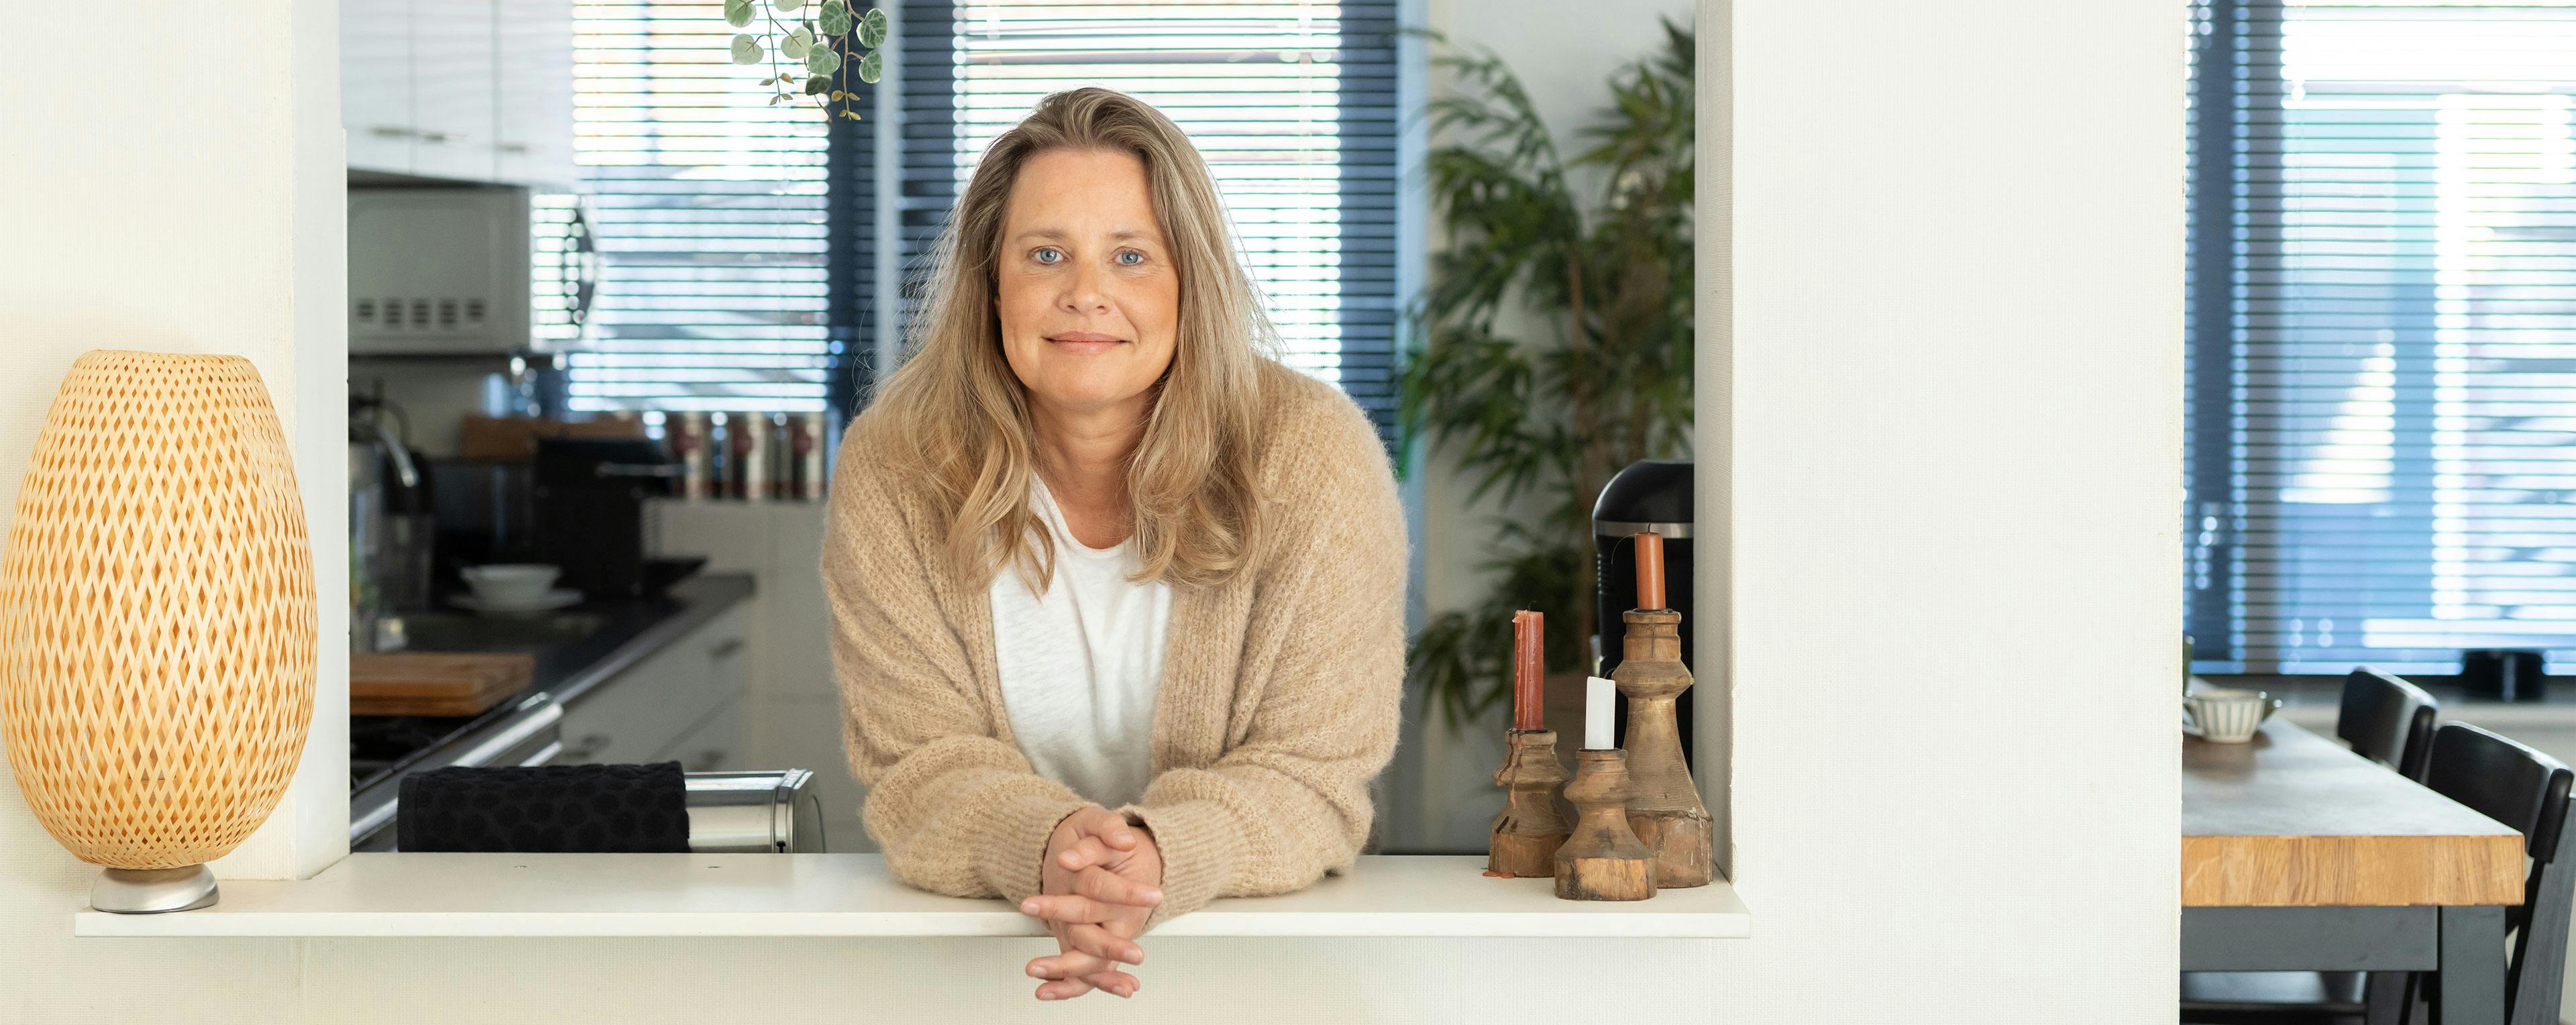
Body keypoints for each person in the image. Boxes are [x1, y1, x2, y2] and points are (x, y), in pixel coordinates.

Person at [820, 86, 1406, 1002]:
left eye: (1130, 256)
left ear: (1189, 282)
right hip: (972, 968)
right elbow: (918, 769)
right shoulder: (895, 467)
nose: (1085, 293)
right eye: (1045, 253)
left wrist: (1151, 857)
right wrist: (1046, 846)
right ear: (991, 281)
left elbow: (1313, 780)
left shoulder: (1314, 458)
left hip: (1262, 973)